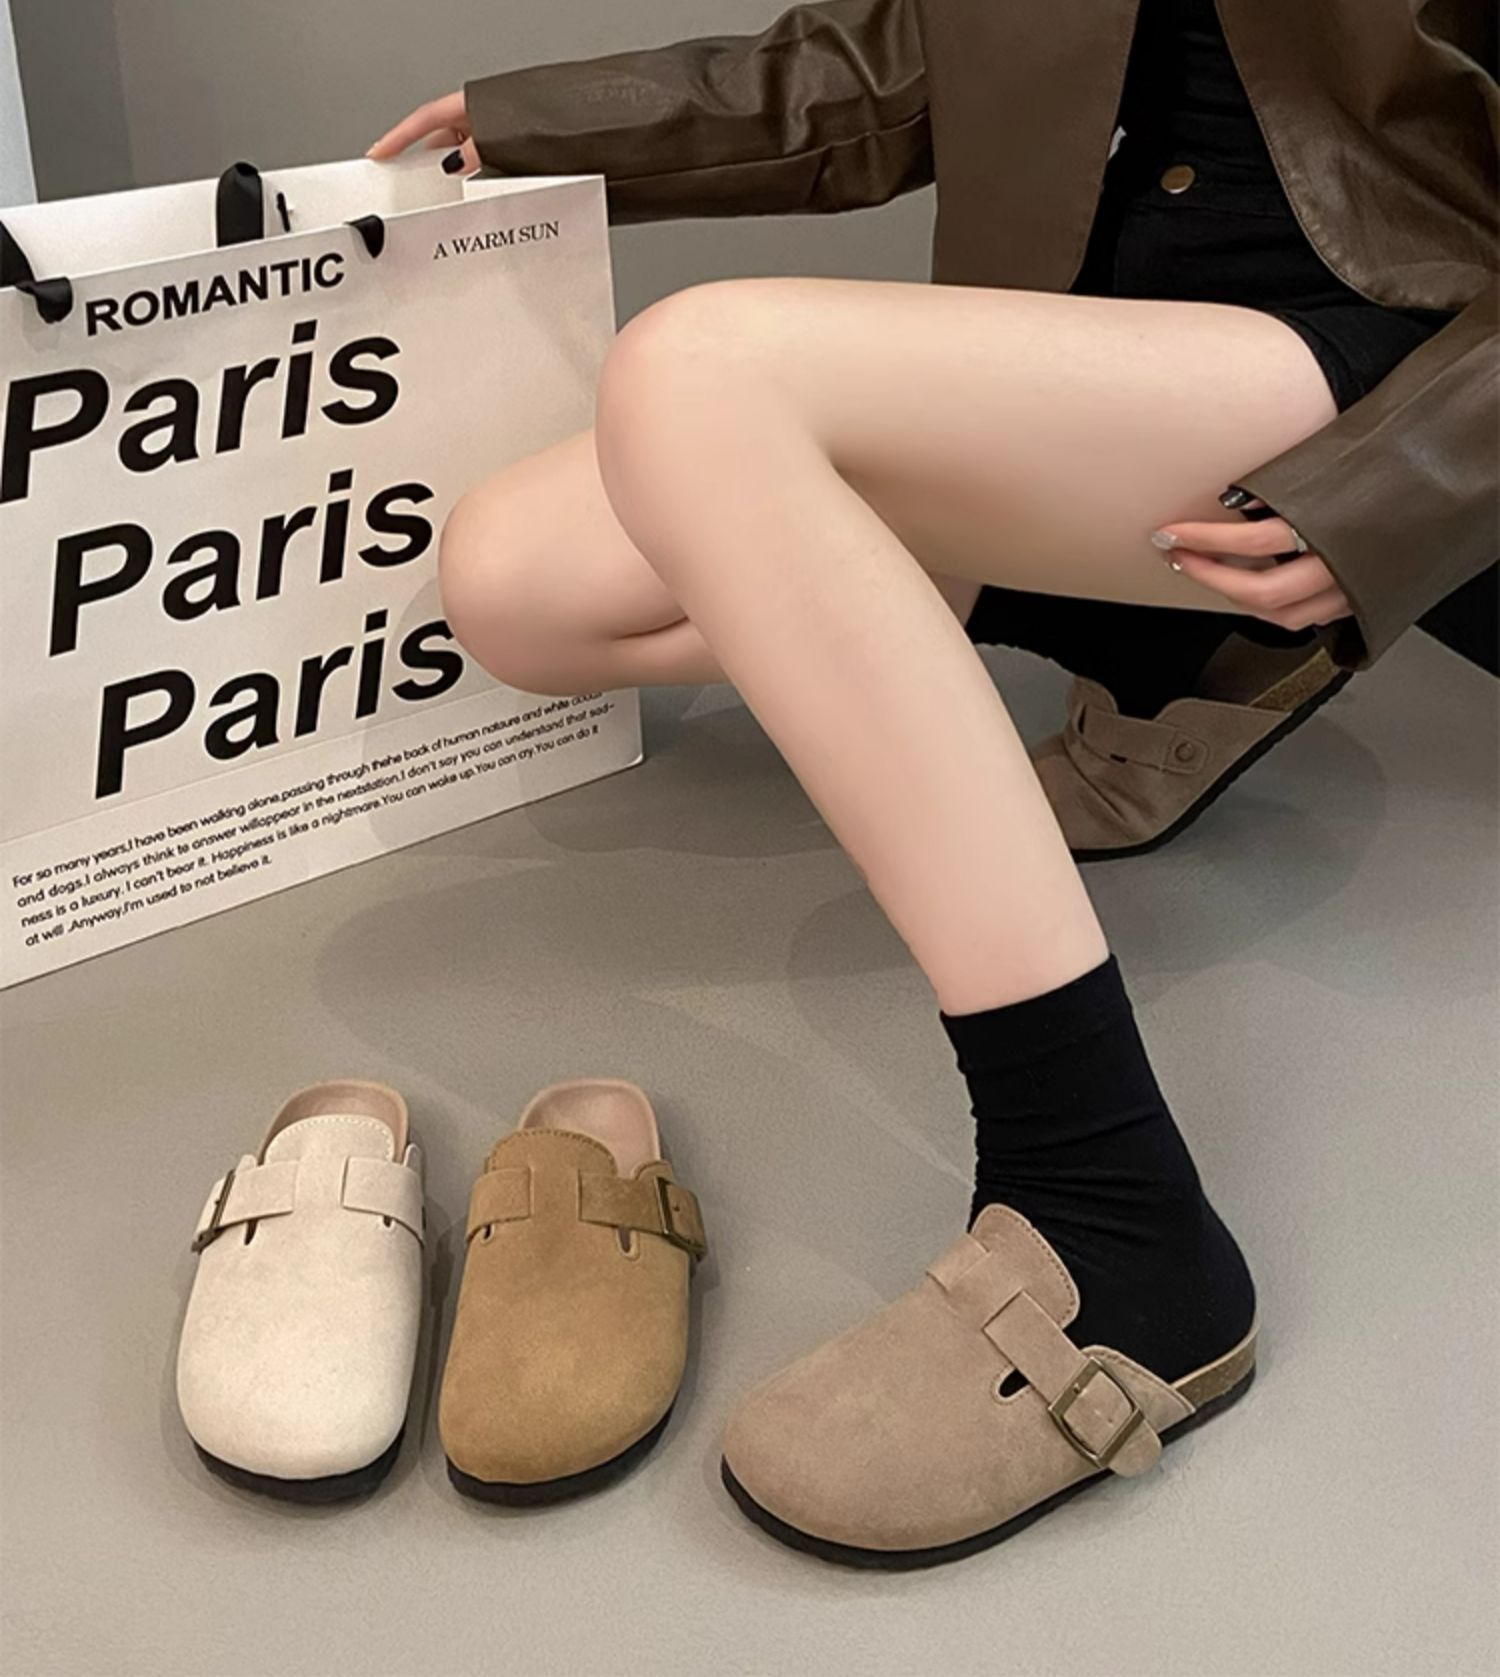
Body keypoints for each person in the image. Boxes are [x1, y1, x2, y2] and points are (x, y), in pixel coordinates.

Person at [367, 0, 1498, 1563]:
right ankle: (1193, 650)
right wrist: (542, 126)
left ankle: (1115, 1217)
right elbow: (900, 66)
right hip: (1114, 351)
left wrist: (1404, 485)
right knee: (512, 582)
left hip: (1396, 354)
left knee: (697, 373)